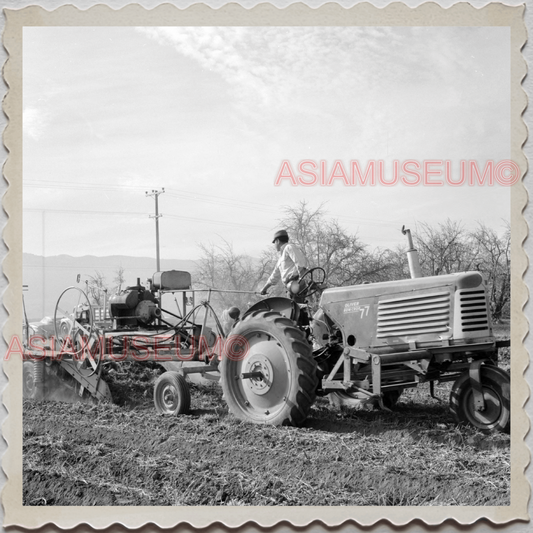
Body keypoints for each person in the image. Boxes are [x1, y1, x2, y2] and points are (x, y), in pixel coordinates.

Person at [260, 230, 309, 297]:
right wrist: (264, 288)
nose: (275, 245)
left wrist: (301, 280)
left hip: (295, 284)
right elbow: (274, 277)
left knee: (298, 305)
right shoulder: (281, 259)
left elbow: (299, 262)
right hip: (290, 287)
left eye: (274, 243)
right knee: (293, 305)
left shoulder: (289, 247)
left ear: (277, 241)